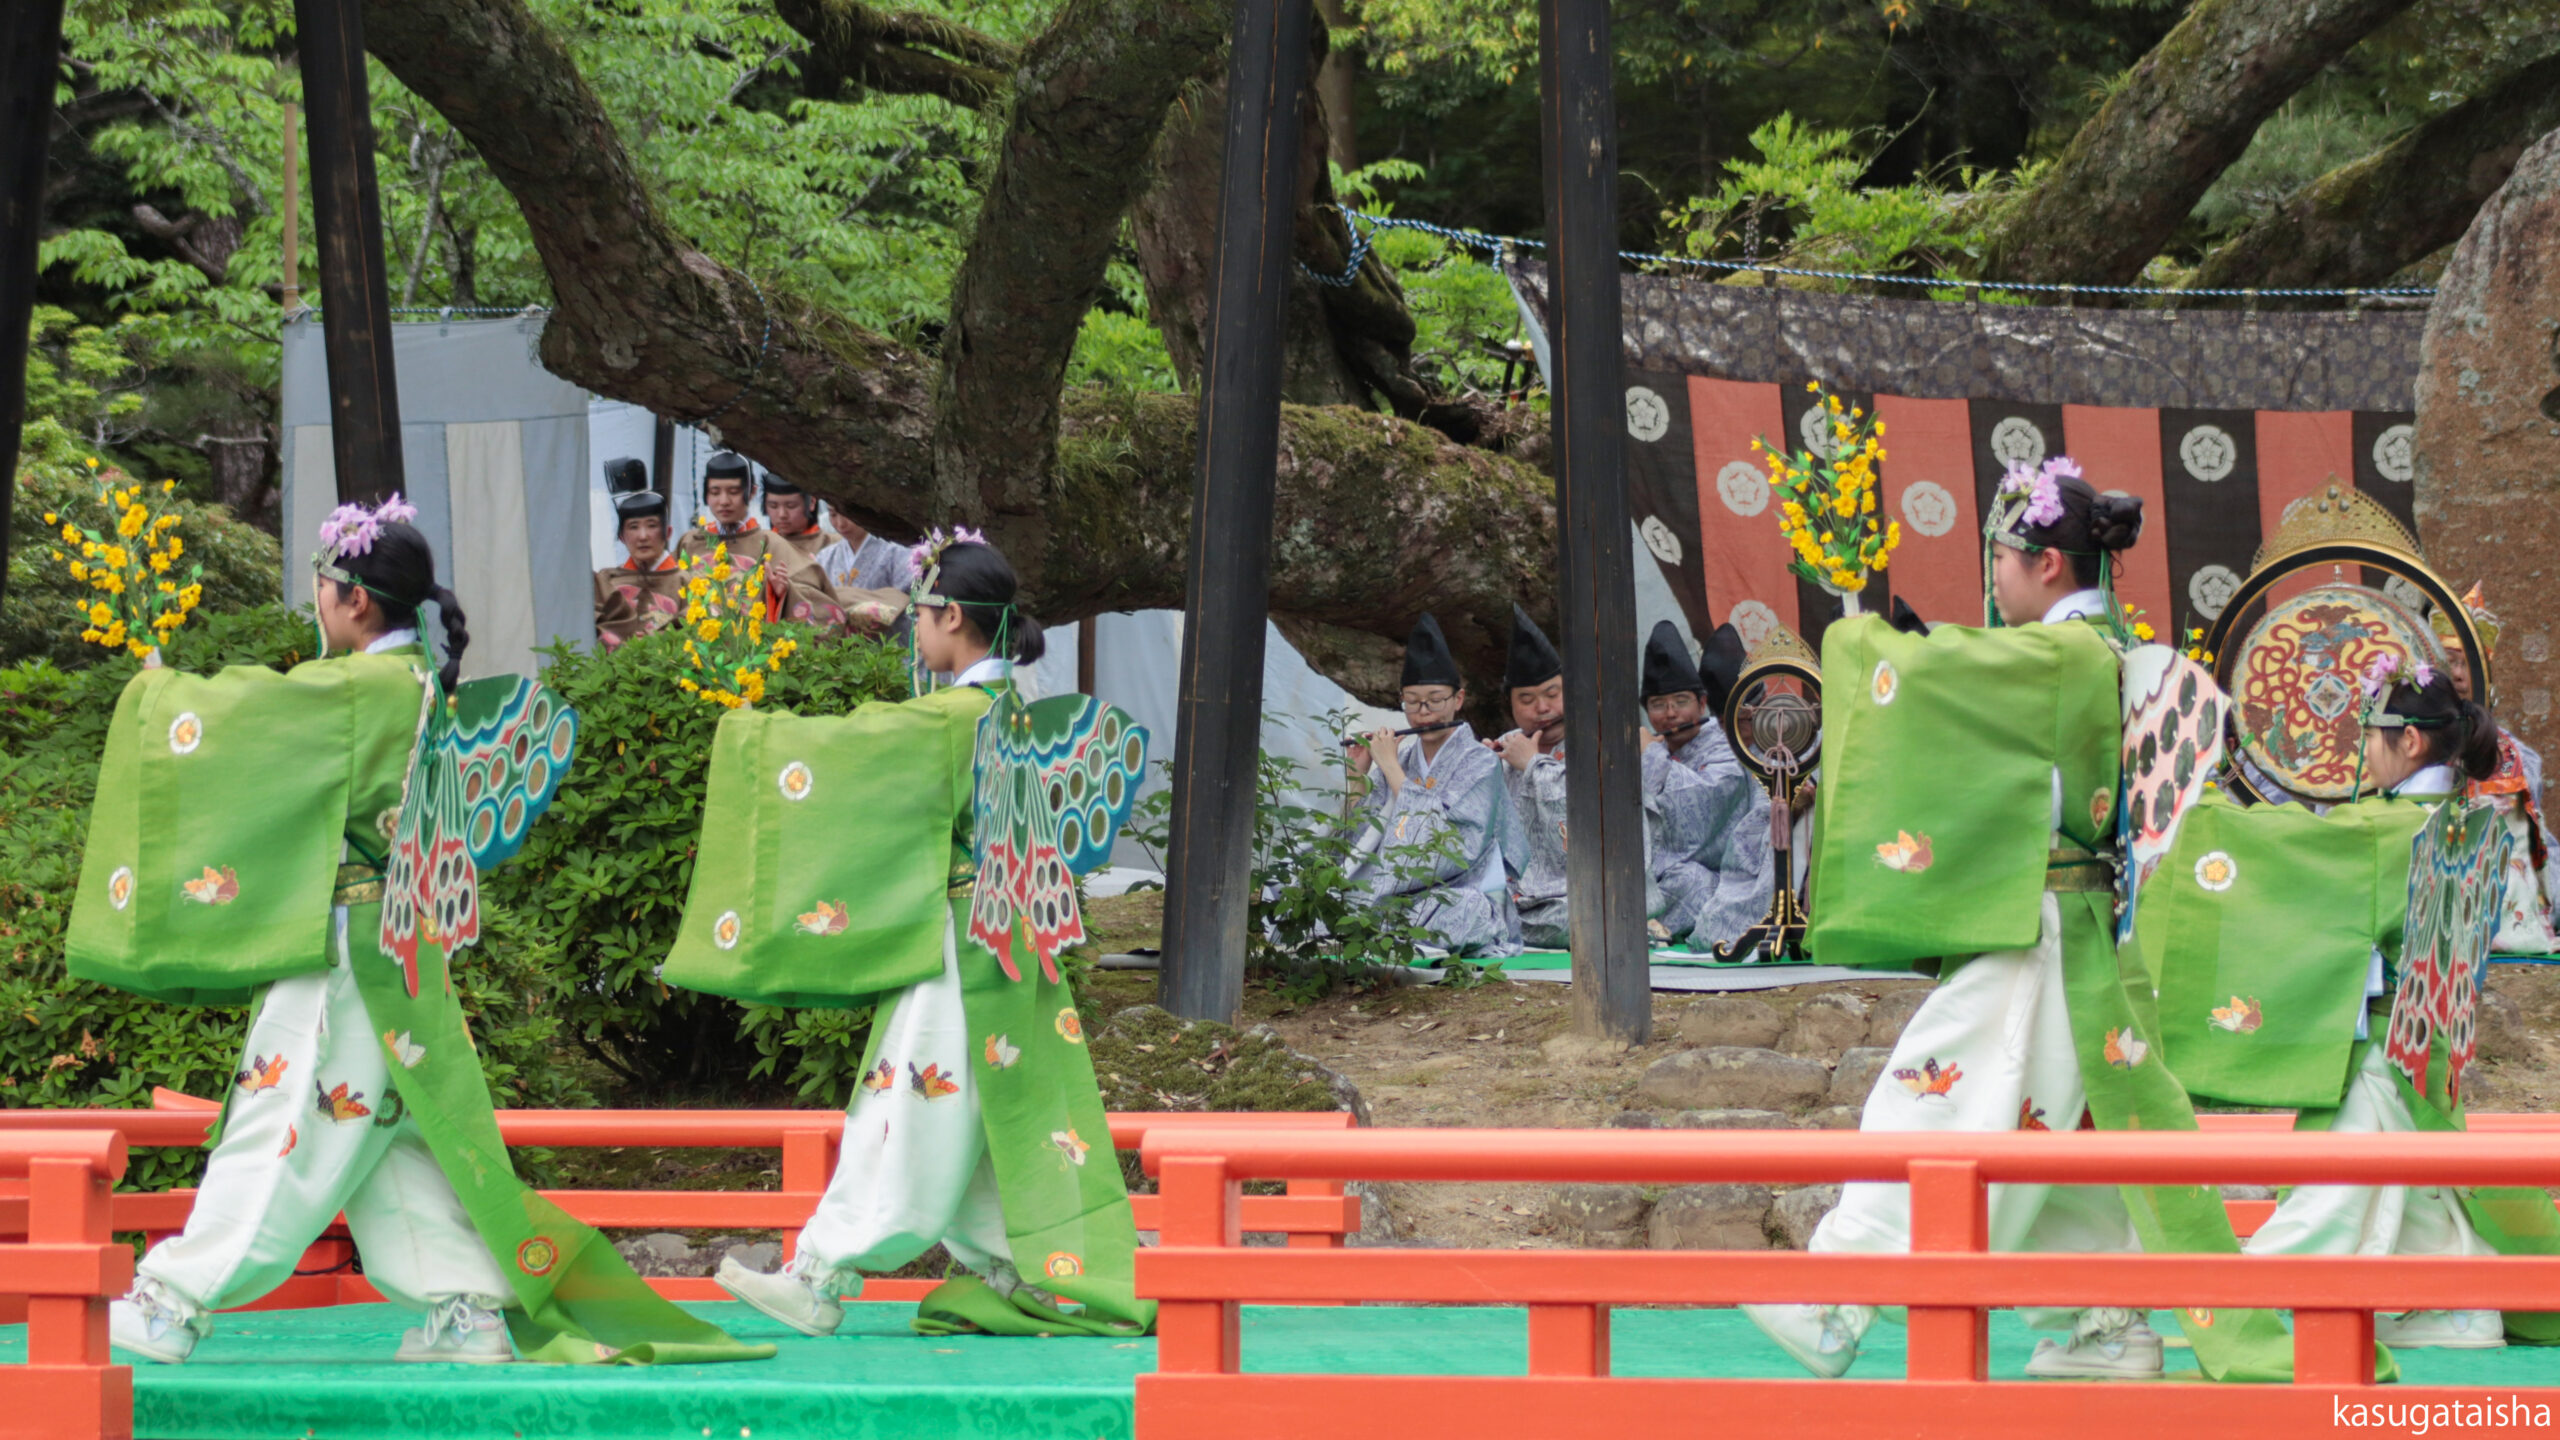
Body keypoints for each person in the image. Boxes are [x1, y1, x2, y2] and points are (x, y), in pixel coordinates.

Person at [81, 499, 765, 1369]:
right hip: (397, 947)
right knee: (394, 1138)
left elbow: (241, 726)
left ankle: (171, 1300)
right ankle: (466, 1310)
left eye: (324, 589)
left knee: (281, 1119)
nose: (317, 605)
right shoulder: (412, 684)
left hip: (347, 956)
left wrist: (159, 691)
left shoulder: (358, 688)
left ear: (356, 601)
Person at [1745, 460, 2294, 1384]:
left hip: (2040, 929)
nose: (1993, 578)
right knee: (2053, 1127)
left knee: (1937, 1093)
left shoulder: (2058, 654)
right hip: (2072, 926)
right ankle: (2101, 1327)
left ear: (2045, 565)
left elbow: (1932, 673)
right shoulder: (2105, 650)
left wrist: (1861, 632)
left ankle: (1839, 1296)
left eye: (2000, 556)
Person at [679, 533, 1154, 1339]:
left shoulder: (954, 717)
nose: (914, 629)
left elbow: (847, 755)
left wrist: (752, 736)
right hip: (1007, 940)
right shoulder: (1006, 708)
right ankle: (1031, 1272)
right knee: (984, 1114)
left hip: (966, 950)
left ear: (956, 619)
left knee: (909, 1106)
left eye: (921, 614)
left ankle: (820, 1275)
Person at [2144, 660, 2548, 1354]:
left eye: (2371, 733)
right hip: (2431, 1040)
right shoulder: (2473, 816)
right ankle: (2455, 1307)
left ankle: (2248, 1306)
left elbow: (2279, 853)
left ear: (2411, 741)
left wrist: (2201, 806)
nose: (2363, 749)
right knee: (2412, 1187)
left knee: (2331, 1195)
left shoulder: (2380, 831)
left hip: (2383, 1049)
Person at [1493, 606, 1718, 949]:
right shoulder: (1506, 751)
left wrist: (1535, 766)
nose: (1542, 709)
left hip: (1591, 889)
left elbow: (1591, 816)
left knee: (1594, 916)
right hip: (1521, 896)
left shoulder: (1607, 743)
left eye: (1552, 695)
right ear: (1511, 706)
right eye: (1527, 700)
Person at [1340, 614, 1522, 957]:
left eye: (1435, 700)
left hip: (1457, 893)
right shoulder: (1401, 759)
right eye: (1412, 701)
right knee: (1326, 899)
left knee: (1465, 912)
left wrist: (1391, 768)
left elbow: (1453, 846)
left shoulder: (1480, 762)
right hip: (1394, 896)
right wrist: (1356, 777)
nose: (1424, 712)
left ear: (1458, 699)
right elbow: (1360, 846)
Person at [2432, 585, 2560, 953]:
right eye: (2448, 662)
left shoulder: (2515, 752)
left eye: (2465, 663)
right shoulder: (2414, 739)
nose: (2457, 674)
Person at [1641, 620, 1776, 951]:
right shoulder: (1648, 747)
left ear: (1702, 705)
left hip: (1714, 874)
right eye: (1658, 705)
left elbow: (1705, 803)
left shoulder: (1727, 748)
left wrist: (1652, 759)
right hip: (1647, 873)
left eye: (1681, 701)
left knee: (1694, 883)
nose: (1670, 714)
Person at [679, 451, 854, 633]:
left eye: (733, 492)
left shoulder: (770, 542)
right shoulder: (690, 542)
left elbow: (816, 596)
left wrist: (781, 593)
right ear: (706, 494)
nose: (723, 501)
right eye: (715, 492)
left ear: (751, 492)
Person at [592, 488, 685, 649]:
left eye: (652, 525)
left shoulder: (687, 582)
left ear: (668, 532)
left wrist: (656, 639)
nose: (643, 536)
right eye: (633, 527)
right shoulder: (606, 581)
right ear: (621, 536)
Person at [816, 503, 918, 595]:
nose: (840, 524)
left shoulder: (897, 552)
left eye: (847, 515)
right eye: (833, 515)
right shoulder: (825, 557)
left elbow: (907, 599)